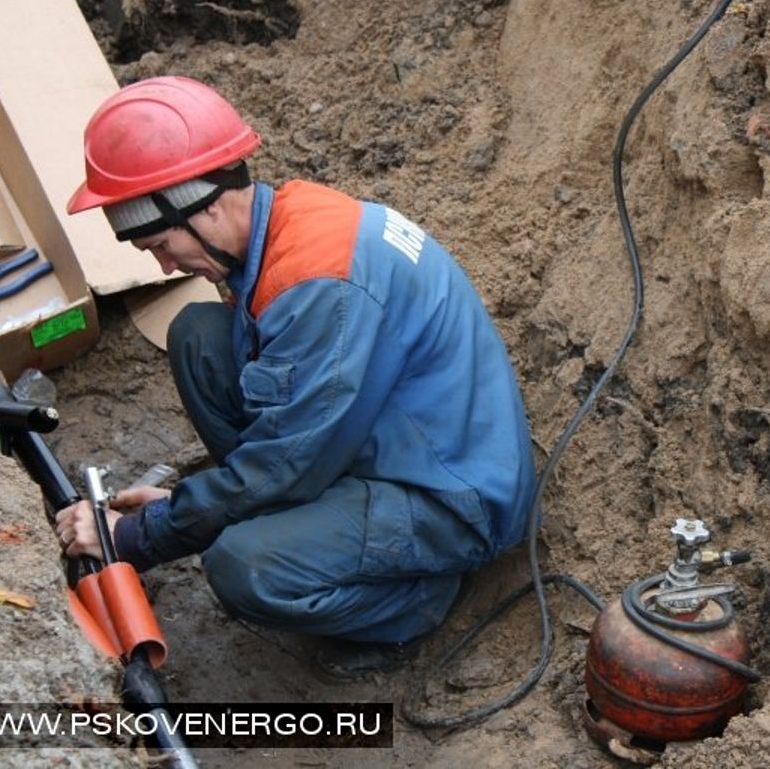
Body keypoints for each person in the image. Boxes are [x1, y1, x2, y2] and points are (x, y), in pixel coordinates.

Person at [54, 76, 537, 676]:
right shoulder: (286, 218)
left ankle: (414, 601)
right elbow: (289, 425)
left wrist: (141, 536)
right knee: (199, 337)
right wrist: (194, 505)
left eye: (161, 243)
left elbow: (283, 463)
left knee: (242, 566)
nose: (164, 264)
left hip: (452, 496)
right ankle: (290, 524)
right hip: (397, 438)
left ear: (203, 201)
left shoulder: (320, 284)